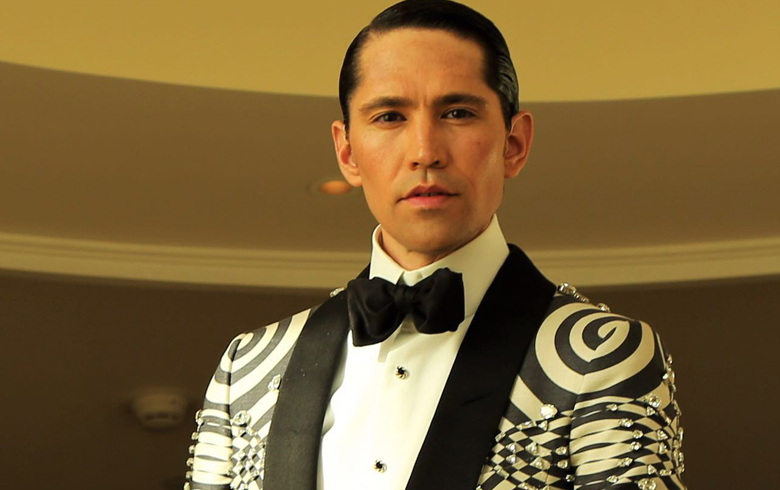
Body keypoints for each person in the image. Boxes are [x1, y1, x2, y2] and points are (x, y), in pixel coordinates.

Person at [185, 1, 686, 489]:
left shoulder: (600, 353)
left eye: (458, 112)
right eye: (389, 117)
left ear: (514, 144)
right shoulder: (247, 367)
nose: (425, 151)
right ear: (347, 151)